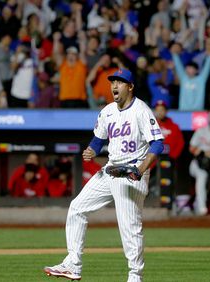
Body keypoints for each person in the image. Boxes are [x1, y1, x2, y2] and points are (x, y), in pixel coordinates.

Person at [44, 68, 164, 282]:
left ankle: (135, 276)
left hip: (131, 172)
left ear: (130, 86)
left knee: (129, 227)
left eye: (120, 82)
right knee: (77, 208)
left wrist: (141, 170)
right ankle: (73, 264)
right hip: (110, 169)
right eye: (113, 82)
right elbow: (98, 140)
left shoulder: (141, 111)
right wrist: (92, 150)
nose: (114, 86)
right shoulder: (107, 111)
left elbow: (158, 143)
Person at [177, 109, 210, 216]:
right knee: (202, 175)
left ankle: (208, 204)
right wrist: (202, 152)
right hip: (198, 164)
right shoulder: (201, 131)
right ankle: (202, 207)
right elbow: (191, 148)